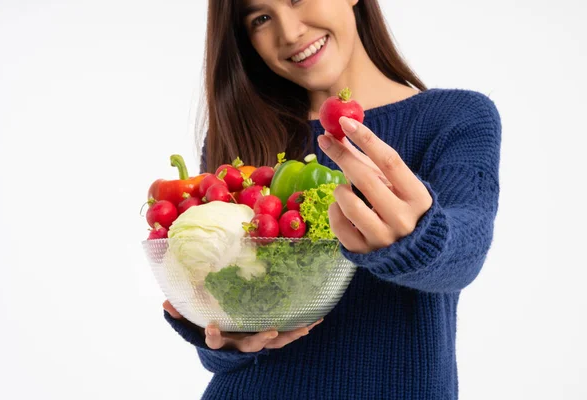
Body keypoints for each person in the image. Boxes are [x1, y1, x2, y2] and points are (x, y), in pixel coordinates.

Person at [163, 0, 502, 399]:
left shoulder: (458, 117)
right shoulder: (244, 138)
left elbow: (467, 249)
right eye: (261, 18)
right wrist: (225, 340)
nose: (289, 32)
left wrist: (415, 238)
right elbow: (222, 327)